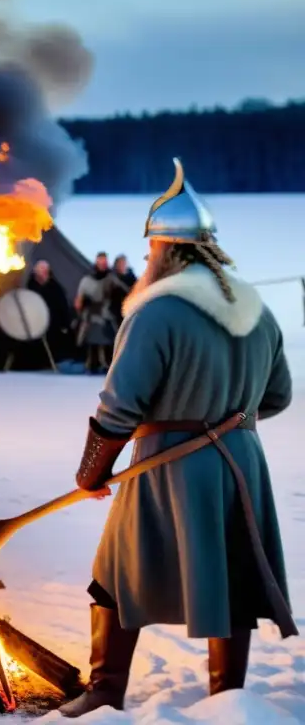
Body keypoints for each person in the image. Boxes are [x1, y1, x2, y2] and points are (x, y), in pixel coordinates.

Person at [60, 159, 295, 718]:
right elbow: (279, 395)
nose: (145, 263)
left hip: (169, 466)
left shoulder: (159, 309)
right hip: (242, 460)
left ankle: (104, 692)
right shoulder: (256, 310)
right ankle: (228, 699)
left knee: (113, 575)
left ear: (166, 251)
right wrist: (227, 421)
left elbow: (118, 406)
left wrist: (91, 473)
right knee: (232, 573)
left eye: (149, 253)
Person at [74, 252, 118, 374]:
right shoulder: (86, 280)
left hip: (107, 315)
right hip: (91, 316)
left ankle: (107, 365)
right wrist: (83, 309)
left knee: (109, 341)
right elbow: (78, 302)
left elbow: (120, 297)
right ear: (96, 262)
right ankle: (91, 364)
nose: (103, 264)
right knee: (91, 341)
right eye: (101, 261)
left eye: (105, 262)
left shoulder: (112, 280)